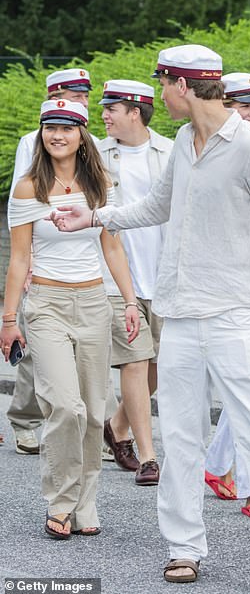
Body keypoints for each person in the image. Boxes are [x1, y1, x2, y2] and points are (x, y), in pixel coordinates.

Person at [48, 44, 250, 588]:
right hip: (181, 317)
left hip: (238, 317)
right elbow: (158, 205)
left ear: (180, 85)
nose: (159, 98)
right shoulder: (183, 140)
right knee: (179, 435)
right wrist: (94, 217)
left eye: (162, 86)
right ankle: (183, 549)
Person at [0, 99, 140, 539]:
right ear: (41, 134)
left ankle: (85, 502)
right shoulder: (28, 189)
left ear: (83, 136)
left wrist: (131, 302)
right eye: (49, 127)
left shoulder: (101, 184)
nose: (57, 135)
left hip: (95, 304)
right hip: (45, 305)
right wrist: (8, 320)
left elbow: (113, 248)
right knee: (64, 405)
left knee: (93, 410)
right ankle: (60, 501)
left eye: (67, 127)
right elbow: (19, 260)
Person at [6, 68, 118, 459]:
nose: (80, 99)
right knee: (37, 360)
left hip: (88, 284)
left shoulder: (93, 153)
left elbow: (109, 230)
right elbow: (23, 203)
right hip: (44, 271)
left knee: (87, 383)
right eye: (72, 93)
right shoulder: (30, 144)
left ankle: (93, 436)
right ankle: (26, 420)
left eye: (83, 94)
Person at [98, 79, 174, 486]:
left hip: (163, 276)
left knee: (159, 365)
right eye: (104, 106)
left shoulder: (170, 151)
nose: (105, 113)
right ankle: (147, 456)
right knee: (135, 360)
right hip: (116, 280)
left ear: (136, 112)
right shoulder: (94, 151)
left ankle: (116, 424)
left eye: (113, 107)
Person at [203, 72, 250, 519]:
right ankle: (249, 487)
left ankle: (218, 466)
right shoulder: (207, 152)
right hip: (225, 290)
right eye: (240, 104)